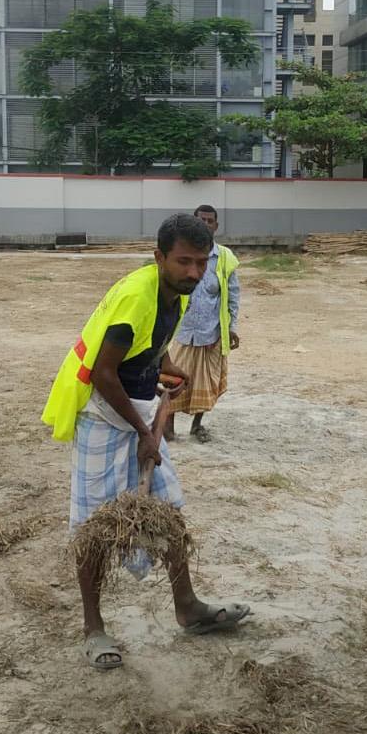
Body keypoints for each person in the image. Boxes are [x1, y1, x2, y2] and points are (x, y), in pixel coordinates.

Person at [42, 213, 252, 670]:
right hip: (100, 412)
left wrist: (168, 370)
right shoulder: (137, 298)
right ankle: (93, 628)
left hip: (133, 409)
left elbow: (153, 350)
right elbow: (102, 372)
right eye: (183, 262)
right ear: (159, 257)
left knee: (168, 512)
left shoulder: (174, 294)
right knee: (96, 527)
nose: (194, 273)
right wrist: (143, 434)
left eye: (201, 263)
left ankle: (187, 607)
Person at [165, 204, 240, 443]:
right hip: (182, 332)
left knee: (206, 384)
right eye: (201, 221)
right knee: (172, 381)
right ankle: (168, 427)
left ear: (216, 226)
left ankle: (197, 426)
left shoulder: (225, 258)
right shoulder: (179, 255)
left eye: (210, 221)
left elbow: (232, 294)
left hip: (211, 334)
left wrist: (231, 327)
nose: (206, 225)